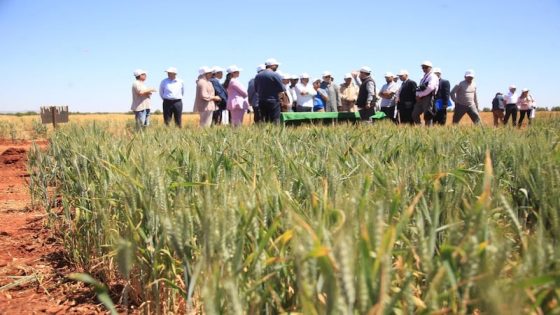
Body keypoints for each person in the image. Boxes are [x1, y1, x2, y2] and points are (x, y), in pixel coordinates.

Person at [254, 58, 286, 123]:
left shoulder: (258, 76)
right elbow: (282, 89)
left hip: (261, 101)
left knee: (264, 120)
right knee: (275, 120)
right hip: (273, 101)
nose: (277, 67)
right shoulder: (275, 75)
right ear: (272, 66)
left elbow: (256, 89)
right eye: (276, 65)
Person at [413, 61, 439, 125]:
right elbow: (419, 88)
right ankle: (421, 129)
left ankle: (428, 131)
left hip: (428, 97)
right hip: (421, 98)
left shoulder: (433, 76)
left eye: (426, 67)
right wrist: (417, 95)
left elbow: (430, 88)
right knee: (414, 114)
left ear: (430, 68)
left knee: (428, 116)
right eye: (423, 67)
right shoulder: (423, 77)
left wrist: (420, 95)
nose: (424, 69)